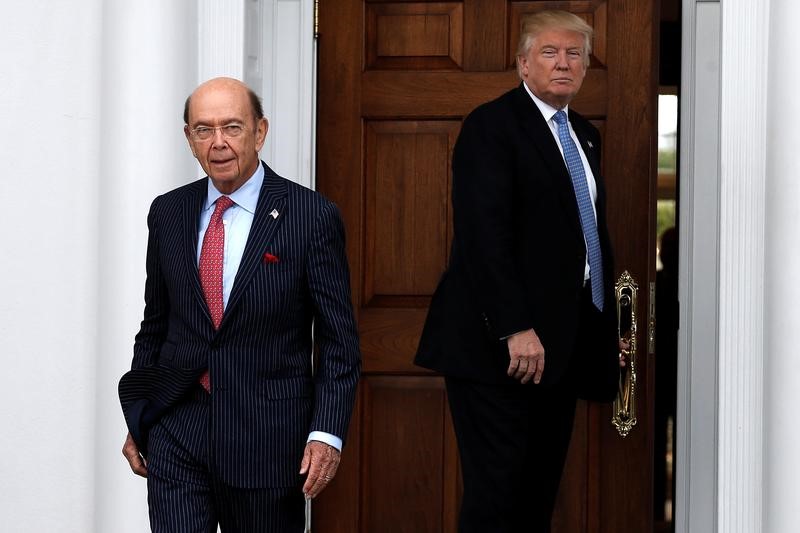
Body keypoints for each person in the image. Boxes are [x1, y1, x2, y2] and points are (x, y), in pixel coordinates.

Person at [118, 77, 360, 532]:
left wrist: (326, 433)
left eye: (232, 127)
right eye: (204, 129)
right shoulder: (168, 212)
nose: (219, 142)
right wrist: (141, 416)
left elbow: (338, 342)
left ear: (260, 131)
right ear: (188, 138)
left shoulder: (310, 216)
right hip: (177, 430)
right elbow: (156, 324)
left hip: (268, 439)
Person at [415, 10, 622, 532]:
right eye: (550, 52)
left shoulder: (584, 135)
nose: (563, 63)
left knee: (536, 497)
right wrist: (514, 326)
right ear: (523, 64)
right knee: (497, 498)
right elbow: (485, 235)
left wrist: (603, 333)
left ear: (586, 65)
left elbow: (583, 242)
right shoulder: (492, 125)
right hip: (498, 351)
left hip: (560, 351)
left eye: (574, 53)